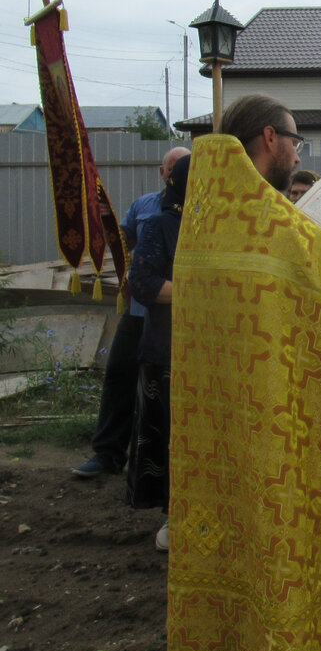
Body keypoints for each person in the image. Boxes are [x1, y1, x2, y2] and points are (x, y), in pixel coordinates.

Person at [162, 94, 321, 651]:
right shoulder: (273, 224)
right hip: (281, 424)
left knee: (236, 529)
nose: (298, 150)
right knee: (287, 534)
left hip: (220, 425)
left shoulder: (212, 217)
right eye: (294, 138)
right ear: (270, 138)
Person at [72, 146, 189, 478]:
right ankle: (107, 454)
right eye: (171, 168)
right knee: (119, 375)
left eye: (181, 168)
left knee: (166, 390)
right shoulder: (143, 206)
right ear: (162, 172)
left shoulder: (198, 210)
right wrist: (103, 234)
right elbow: (123, 242)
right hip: (139, 310)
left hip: (174, 317)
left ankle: (165, 467)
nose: (174, 174)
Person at [126, 155, 189, 552]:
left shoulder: (218, 226)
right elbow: (144, 284)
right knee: (171, 436)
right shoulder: (160, 226)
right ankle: (175, 516)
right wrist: (199, 293)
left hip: (206, 350)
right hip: (167, 353)